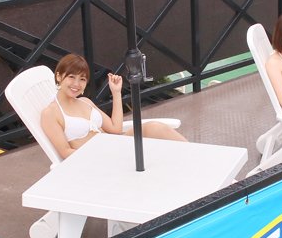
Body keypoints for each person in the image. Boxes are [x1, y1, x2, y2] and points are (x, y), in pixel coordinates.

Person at [41, 53, 187, 159]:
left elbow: (115, 128)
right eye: (71, 77)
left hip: (115, 147)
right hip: (100, 159)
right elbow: (65, 152)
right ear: (59, 76)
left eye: (82, 79)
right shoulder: (51, 113)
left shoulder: (85, 102)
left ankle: (195, 158)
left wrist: (116, 93)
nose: (76, 84)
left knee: (154, 128)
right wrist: (98, 156)